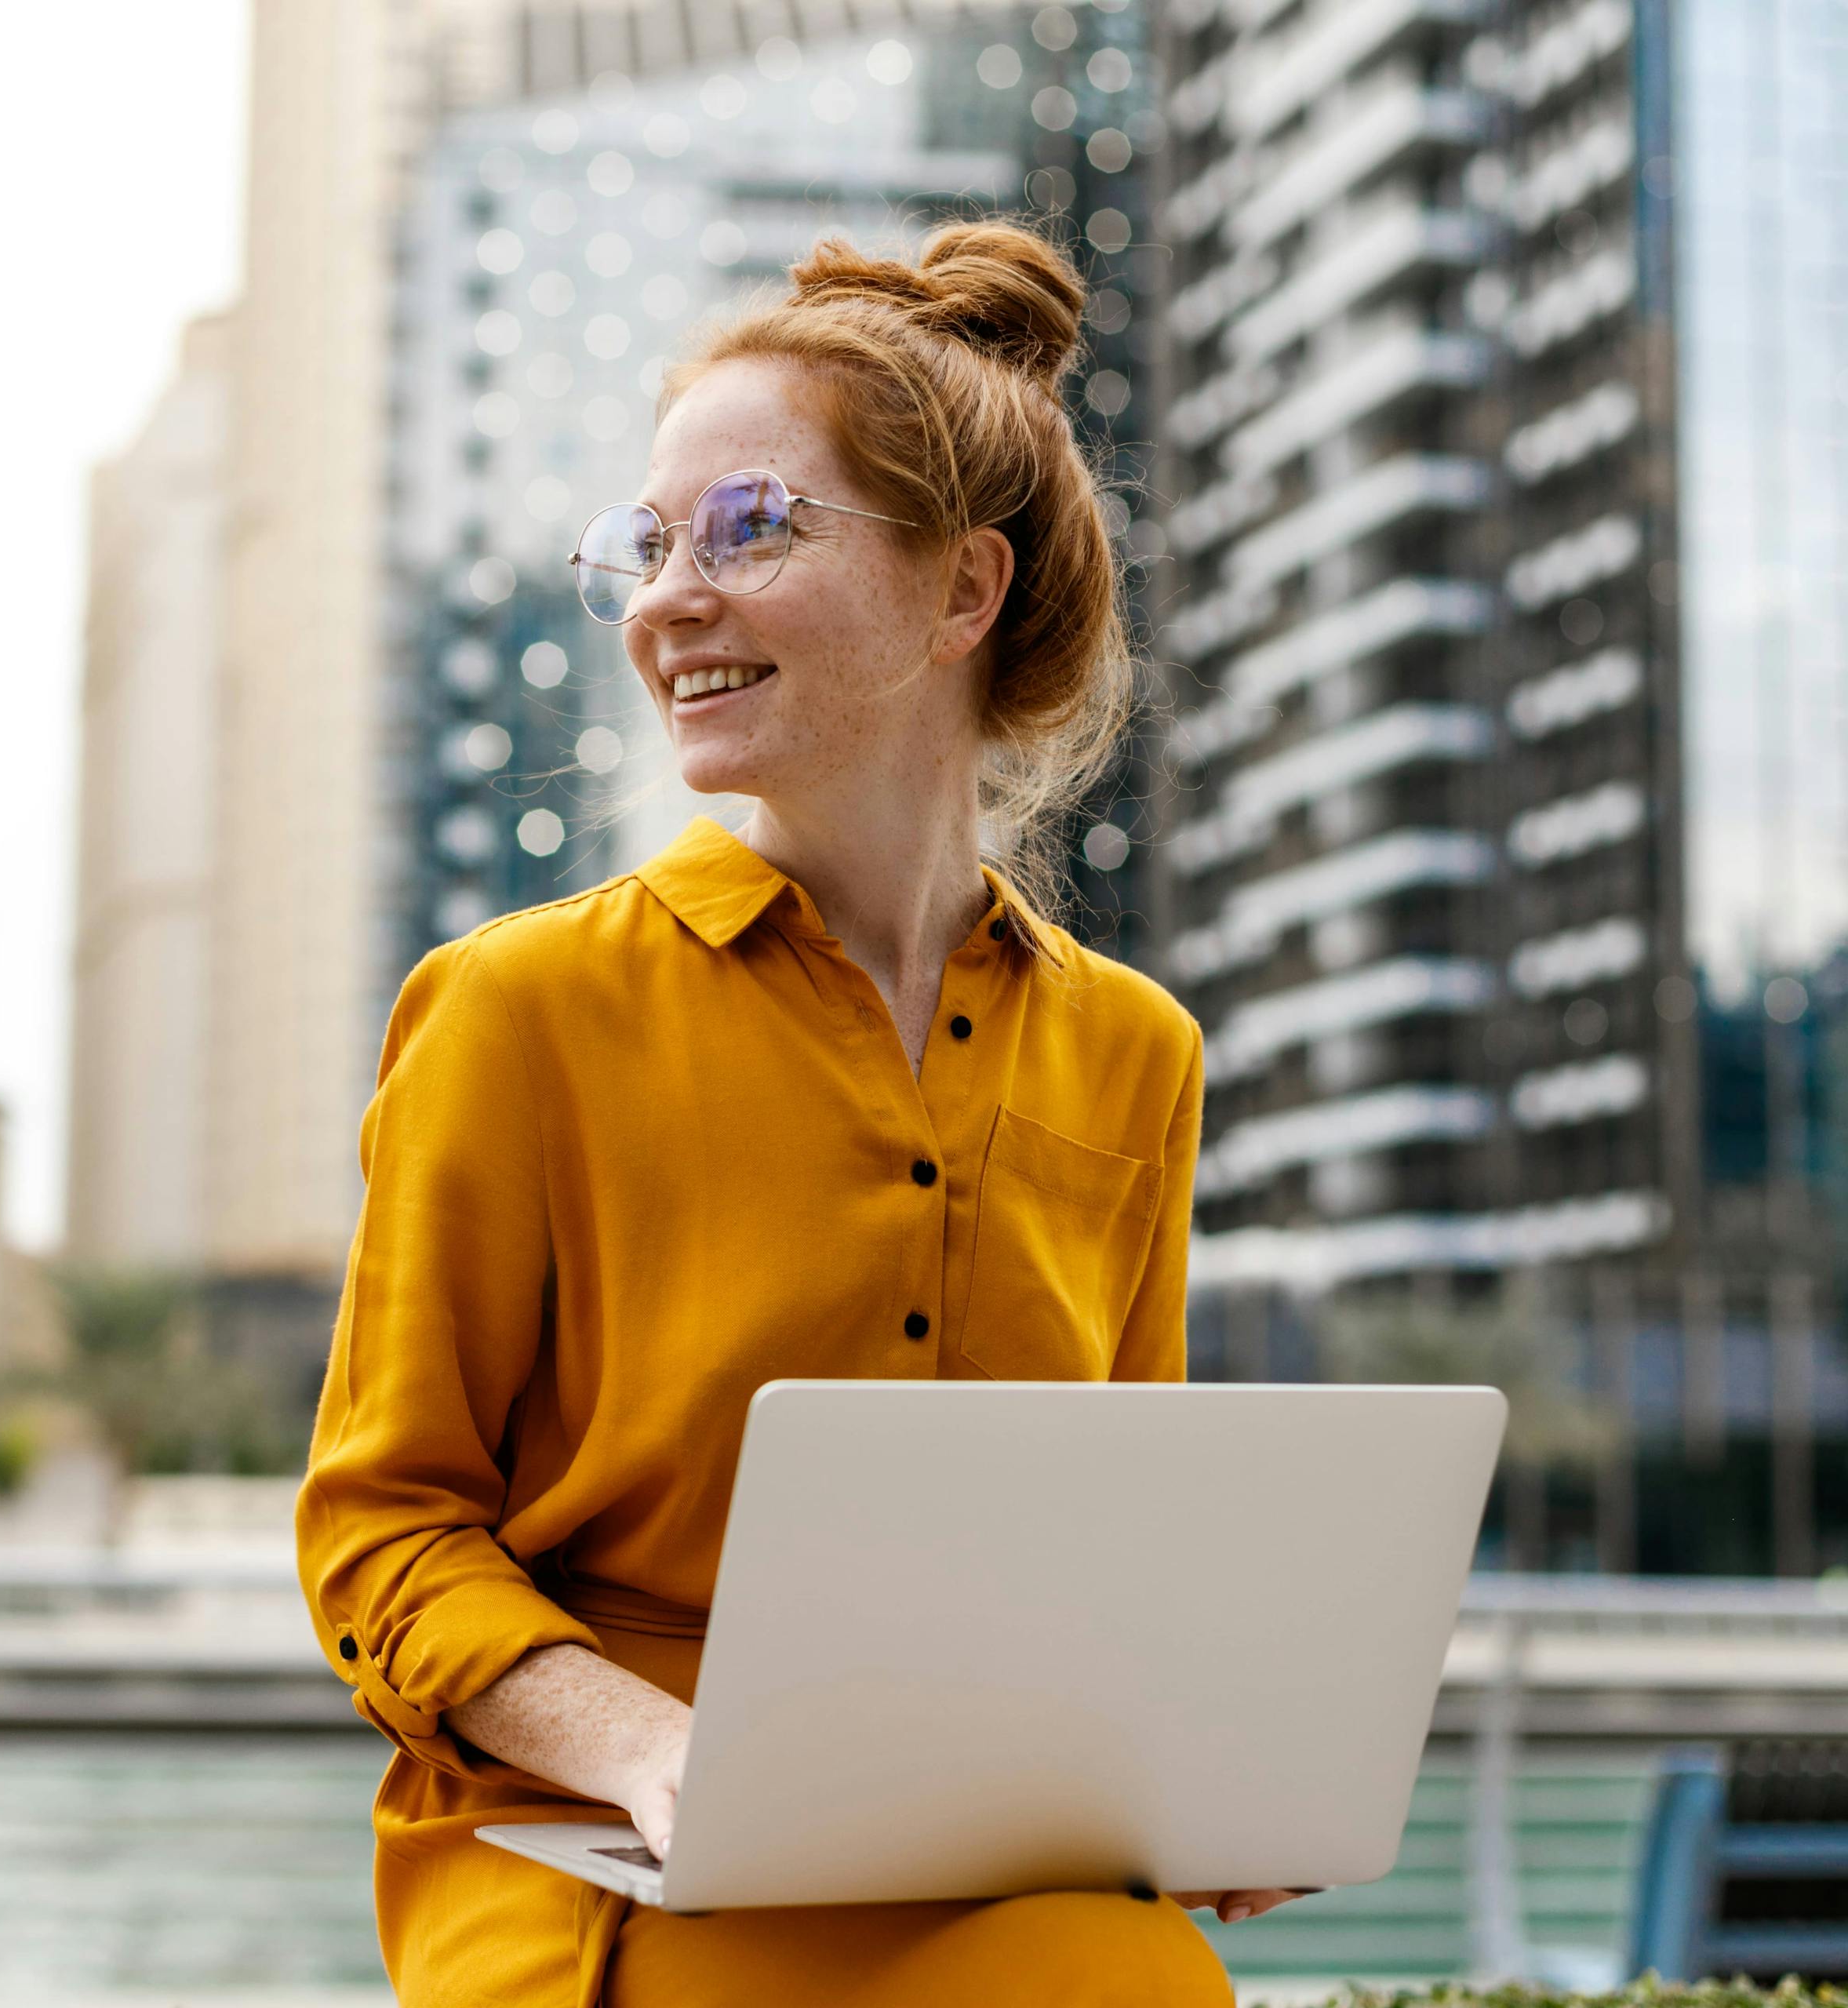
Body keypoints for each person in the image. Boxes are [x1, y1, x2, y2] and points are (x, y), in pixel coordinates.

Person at [295, 218, 1301, 2006]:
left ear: (959, 593)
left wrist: (1188, 1766)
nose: (670, 598)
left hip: (985, 1836)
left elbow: (1108, 1542)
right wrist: (657, 1746)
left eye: (751, 527)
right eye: (649, 542)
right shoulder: (515, 1010)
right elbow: (383, 1535)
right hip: (594, 1847)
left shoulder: (1137, 1050)